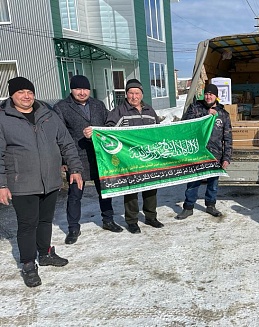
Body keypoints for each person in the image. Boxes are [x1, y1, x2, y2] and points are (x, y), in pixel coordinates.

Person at [0, 77, 83, 287]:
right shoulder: (3, 119)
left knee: (45, 221)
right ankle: (28, 264)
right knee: (27, 225)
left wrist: (75, 169)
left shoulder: (48, 115)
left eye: (29, 92)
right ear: (12, 95)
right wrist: (2, 185)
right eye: (21, 92)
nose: (26, 96)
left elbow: (66, 143)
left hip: (50, 180)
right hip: (22, 182)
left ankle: (45, 253)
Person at [53, 75, 123, 244]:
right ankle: (73, 228)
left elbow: (109, 125)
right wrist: (64, 161)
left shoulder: (98, 105)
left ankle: (108, 220)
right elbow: (59, 136)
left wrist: (99, 131)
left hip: (100, 156)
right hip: (76, 158)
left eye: (85, 89)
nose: (82, 92)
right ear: (72, 90)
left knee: (105, 191)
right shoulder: (61, 107)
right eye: (78, 89)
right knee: (75, 195)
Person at [103, 78, 164, 234]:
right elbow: (109, 132)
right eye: (131, 93)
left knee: (151, 189)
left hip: (148, 158)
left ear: (142, 94)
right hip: (128, 160)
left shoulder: (150, 111)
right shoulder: (118, 112)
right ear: (126, 94)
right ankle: (132, 221)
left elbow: (158, 132)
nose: (134, 96)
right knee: (131, 191)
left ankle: (151, 216)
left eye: (137, 93)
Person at [175, 84, 232, 219]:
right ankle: (188, 207)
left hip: (215, 154)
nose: (208, 96)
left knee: (213, 183)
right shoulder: (195, 108)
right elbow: (186, 123)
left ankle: (211, 205)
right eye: (206, 94)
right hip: (197, 152)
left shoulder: (223, 114)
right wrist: (205, 115)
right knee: (193, 181)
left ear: (216, 96)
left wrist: (227, 157)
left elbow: (228, 137)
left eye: (211, 94)